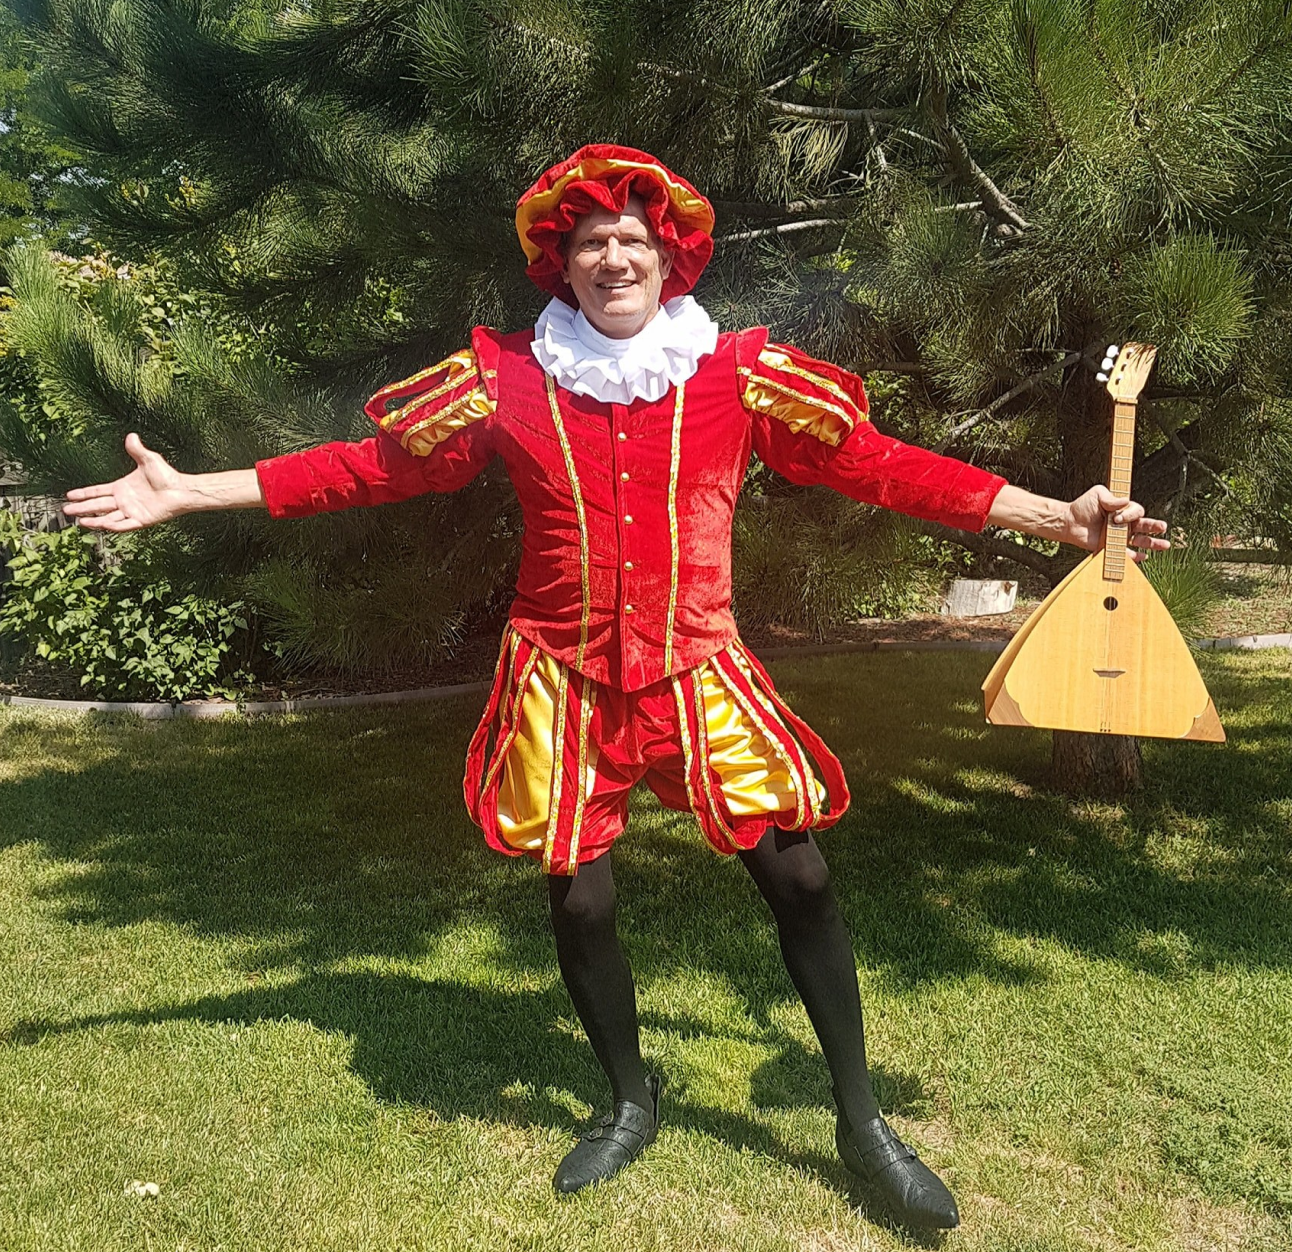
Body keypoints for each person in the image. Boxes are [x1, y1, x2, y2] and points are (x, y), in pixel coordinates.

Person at [65, 144, 1168, 1229]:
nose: (612, 257)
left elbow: (878, 463)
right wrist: (190, 491)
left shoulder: (736, 373)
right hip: (561, 678)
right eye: (591, 242)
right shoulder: (503, 378)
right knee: (580, 897)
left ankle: (858, 1119)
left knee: (800, 876)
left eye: (631, 239)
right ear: (563, 264)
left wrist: (1051, 516)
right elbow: (365, 468)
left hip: (697, 665)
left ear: (668, 256)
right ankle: (629, 1095)